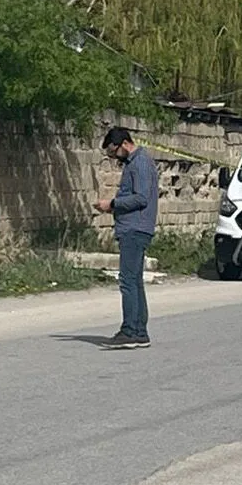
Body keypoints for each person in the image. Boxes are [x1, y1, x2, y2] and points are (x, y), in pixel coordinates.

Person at [93, 127, 159, 350]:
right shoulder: (135, 163)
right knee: (135, 281)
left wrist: (112, 204)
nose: (114, 158)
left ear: (123, 144)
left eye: (114, 152)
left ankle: (130, 330)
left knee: (128, 281)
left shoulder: (140, 163)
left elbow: (141, 198)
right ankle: (139, 331)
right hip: (132, 228)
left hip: (135, 229)